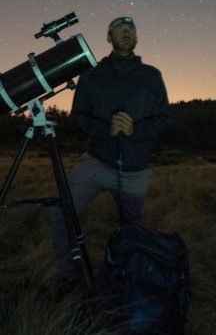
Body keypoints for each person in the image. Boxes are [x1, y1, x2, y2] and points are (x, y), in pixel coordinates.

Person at [51, 16, 172, 292]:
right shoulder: (92, 74)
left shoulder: (152, 76)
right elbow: (78, 116)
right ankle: (68, 277)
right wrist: (107, 129)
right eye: (119, 29)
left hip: (134, 170)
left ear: (137, 37)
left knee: (130, 229)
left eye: (131, 29)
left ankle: (127, 279)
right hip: (95, 163)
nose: (126, 32)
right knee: (62, 214)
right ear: (109, 37)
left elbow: (163, 118)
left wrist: (134, 130)